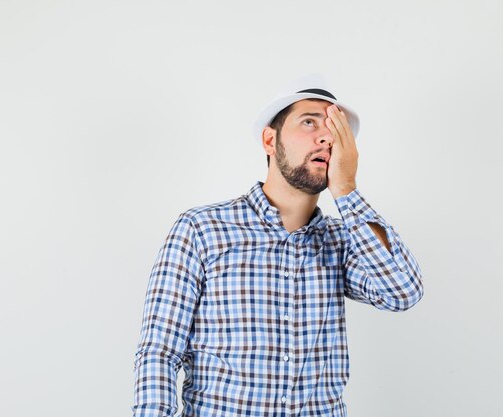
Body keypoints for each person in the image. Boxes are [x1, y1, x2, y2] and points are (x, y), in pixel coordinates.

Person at [131, 73, 424, 417]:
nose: (326, 137)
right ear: (270, 140)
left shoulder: (344, 240)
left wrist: (346, 188)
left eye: (335, 129)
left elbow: (402, 292)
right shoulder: (201, 230)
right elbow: (159, 353)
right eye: (310, 122)